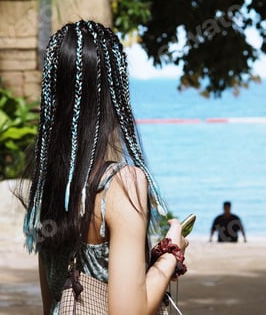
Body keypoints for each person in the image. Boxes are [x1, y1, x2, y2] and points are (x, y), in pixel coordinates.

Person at [21, 20, 189, 315]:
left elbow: (52, 306)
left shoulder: (49, 190)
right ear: (114, 96)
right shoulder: (122, 184)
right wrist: (170, 253)